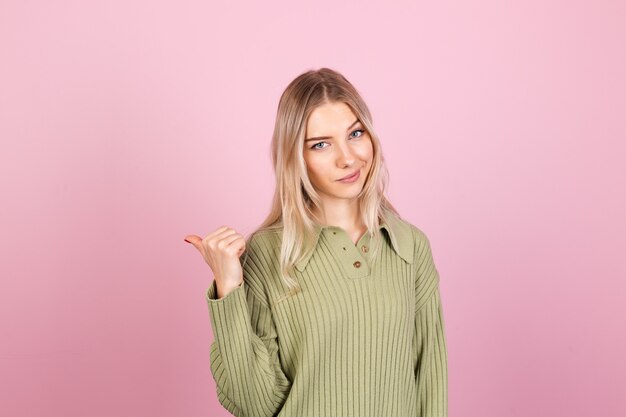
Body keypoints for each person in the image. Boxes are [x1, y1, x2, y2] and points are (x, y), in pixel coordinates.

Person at [184, 67, 448, 417]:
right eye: (321, 144)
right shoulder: (267, 254)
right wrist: (228, 288)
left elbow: (431, 381)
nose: (348, 158)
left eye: (355, 133)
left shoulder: (409, 246)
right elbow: (254, 403)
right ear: (297, 157)